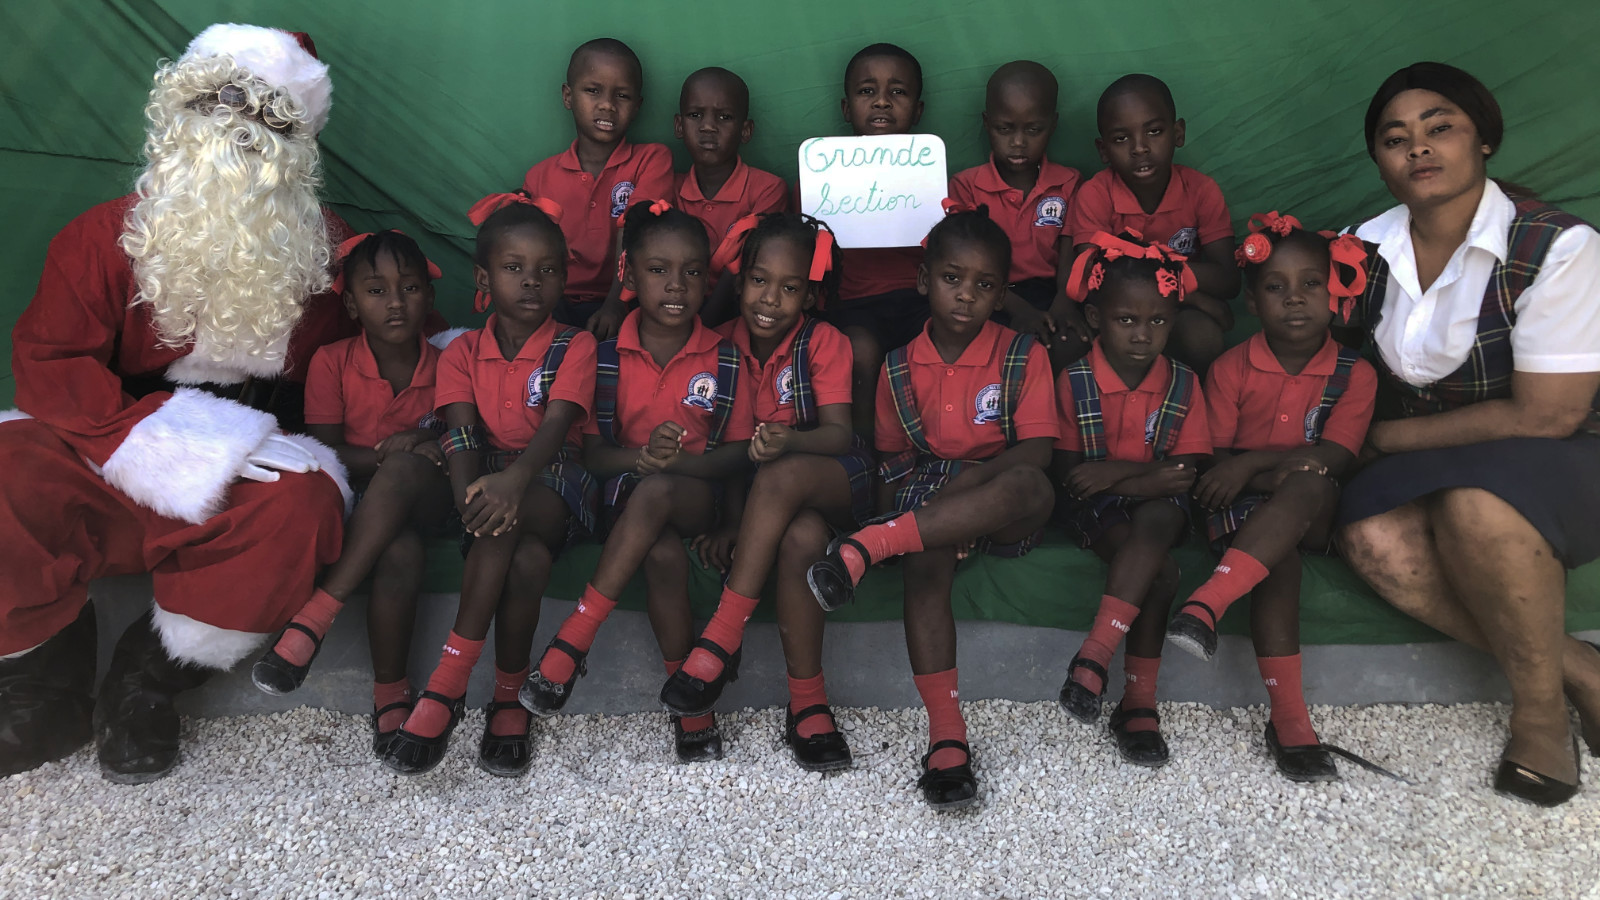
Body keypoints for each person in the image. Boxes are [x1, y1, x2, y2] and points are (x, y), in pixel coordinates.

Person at [0, 24, 353, 782]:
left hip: (247, 468)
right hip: (109, 450)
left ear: (299, 144)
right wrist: (171, 440)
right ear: (181, 108)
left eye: (269, 113)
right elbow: (49, 363)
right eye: (222, 99)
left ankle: (148, 681)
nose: (240, 124)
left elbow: (361, 365)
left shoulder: (325, 253)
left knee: (306, 506)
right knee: (4, 466)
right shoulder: (99, 238)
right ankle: (42, 688)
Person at [1336, 63, 1600, 808]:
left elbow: (1551, 414)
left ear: (1483, 137)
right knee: (1370, 537)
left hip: (1562, 449)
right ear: (1381, 164)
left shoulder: (1557, 245)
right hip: (1434, 450)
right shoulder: (1362, 247)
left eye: (1439, 126)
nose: (1418, 148)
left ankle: (1541, 715)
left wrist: (1383, 440)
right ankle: (1580, 670)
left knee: (1473, 508)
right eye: (1396, 139)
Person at [806, 207, 1059, 810]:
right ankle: (947, 738)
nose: (966, 295)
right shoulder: (897, 366)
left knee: (1032, 485)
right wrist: (941, 516)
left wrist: (967, 502)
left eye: (984, 285)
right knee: (927, 561)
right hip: (927, 499)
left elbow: (1039, 450)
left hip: (1000, 491)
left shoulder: (1023, 354)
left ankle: (865, 548)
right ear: (923, 280)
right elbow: (893, 468)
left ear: (1002, 294)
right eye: (952, 278)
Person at [520, 200, 754, 763]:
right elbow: (593, 457)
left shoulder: (725, 356)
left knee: (660, 491)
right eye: (658, 270)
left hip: (695, 493)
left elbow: (739, 454)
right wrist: (641, 458)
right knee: (664, 557)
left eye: (693, 272)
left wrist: (724, 518)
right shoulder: (603, 356)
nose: (677, 286)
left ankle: (574, 639)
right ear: (627, 274)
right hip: (625, 497)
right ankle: (691, 703)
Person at [381, 194, 600, 777]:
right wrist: (471, 497)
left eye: (548, 270)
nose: (532, 282)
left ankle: (446, 686)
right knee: (517, 552)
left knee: (507, 514)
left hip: (554, 480)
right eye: (514, 268)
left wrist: (509, 483)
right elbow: (460, 436)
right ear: (482, 277)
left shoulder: (575, 345)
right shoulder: (462, 353)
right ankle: (508, 700)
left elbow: (556, 428)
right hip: (493, 484)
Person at [658, 212, 867, 772]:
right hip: (772, 506)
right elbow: (725, 448)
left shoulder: (823, 342)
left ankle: (722, 636)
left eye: (790, 287)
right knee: (800, 540)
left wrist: (788, 441)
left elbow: (839, 434)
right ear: (738, 279)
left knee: (780, 474)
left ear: (811, 296)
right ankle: (808, 706)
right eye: (758, 280)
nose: (770, 298)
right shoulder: (720, 345)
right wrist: (730, 521)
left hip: (834, 478)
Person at [1173, 212, 1378, 781]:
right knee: (1277, 567)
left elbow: (1334, 457)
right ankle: (1290, 721)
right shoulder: (1232, 367)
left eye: (1311, 284)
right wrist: (1247, 469)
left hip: (1312, 507)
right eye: (1275, 287)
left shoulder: (1354, 374)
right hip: (1244, 514)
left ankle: (1207, 604)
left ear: (1335, 295)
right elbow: (1214, 464)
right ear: (1254, 302)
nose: (1295, 300)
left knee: (1310, 481)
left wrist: (1252, 464)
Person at [249, 233, 460, 748]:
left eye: (409, 288)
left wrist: (420, 451)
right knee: (401, 552)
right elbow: (330, 453)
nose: (394, 302)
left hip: (438, 497)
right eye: (376, 290)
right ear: (350, 303)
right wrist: (399, 450)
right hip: (364, 501)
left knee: (410, 471)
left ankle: (316, 617)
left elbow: (463, 441)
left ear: (429, 299)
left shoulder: (451, 363)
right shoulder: (332, 361)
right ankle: (390, 693)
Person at [1054, 232, 1211, 769]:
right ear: (1096, 318)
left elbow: (1183, 477)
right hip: (1095, 512)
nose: (1144, 335)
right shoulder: (1073, 382)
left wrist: (1120, 476)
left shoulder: (1185, 384)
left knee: (1162, 515)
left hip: (1158, 509)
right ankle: (1138, 702)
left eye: (1158, 322)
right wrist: (1146, 478)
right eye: (1127, 321)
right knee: (1161, 574)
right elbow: (1073, 478)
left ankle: (1093, 659)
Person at [1062, 74, 1238, 374]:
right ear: (1102, 149)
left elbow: (1228, 280)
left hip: (1175, 313)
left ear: (1178, 132)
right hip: (1118, 313)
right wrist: (1192, 293)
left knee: (1202, 337)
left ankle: (1188, 409)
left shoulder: (1201, 190)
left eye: (1154, 131)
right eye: (1121, 139)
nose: (1139, 148)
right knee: (1068, 341)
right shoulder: (1095, 193)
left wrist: (1138, 262)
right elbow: (1089, 278)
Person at [523, 38, 674, 339]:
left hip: (626, 301)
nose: (607, 105)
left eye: (622, 95)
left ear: (638, 106)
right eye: (593, 91)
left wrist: (616, 304)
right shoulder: (539, 176)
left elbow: (637, 230)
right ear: (568, 96)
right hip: (555, 303)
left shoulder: (652, 159)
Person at [948, 60, 1087, 370]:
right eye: (1005, 128)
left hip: (1053, 293)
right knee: (999, 348)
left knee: (1068, 344)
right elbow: (968, 262)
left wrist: (1064, 306)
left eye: (1034, 129)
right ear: (987, 123)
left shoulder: (1069, 183)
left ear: (1052, 124)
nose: (1019, 142)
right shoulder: (966, 186)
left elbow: (1070, 253)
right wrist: (1018, 310)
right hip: (990, 295)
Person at [825, 42, 930, 437]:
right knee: (861, 350)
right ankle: (866, 452)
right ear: (846, 107)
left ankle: (925, 447)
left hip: (917, 299)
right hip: (851, 304)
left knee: (936, 342)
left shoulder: (933, 177)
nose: (882, 102)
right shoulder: (822, 176)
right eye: (867, 91)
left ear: (918, 110)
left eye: (898, 92)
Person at [673, 67, 788, 254]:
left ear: (746, 130)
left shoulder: (767, 190)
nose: (708, 126)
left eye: (724, 117)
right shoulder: (669, 188)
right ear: (679, 126)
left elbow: (755, 264)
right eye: (695, 115)